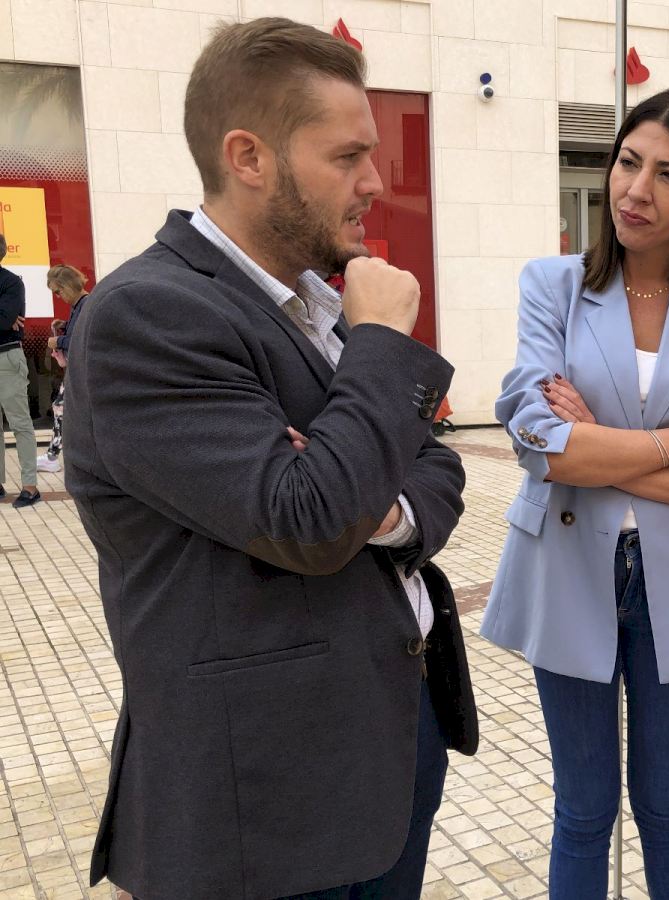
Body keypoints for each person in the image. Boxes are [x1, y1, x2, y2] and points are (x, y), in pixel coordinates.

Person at [64, 18, 476, 900]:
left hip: (384, 755)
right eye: (347, 157)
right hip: (261, 810)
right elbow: (313, 518)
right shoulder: (149, 316)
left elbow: (435, 465)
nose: (375, 183)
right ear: (248, 157)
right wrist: (374, 349)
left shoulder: (315, 305)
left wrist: (380, 501)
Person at [482, 88, 669, 900]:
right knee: (583, 811)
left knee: (667, 805)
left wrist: (600, 453)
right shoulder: (552, 285)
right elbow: (535, 439)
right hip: (568, 566)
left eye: (668, 174)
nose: (635, 191)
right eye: (627, 162)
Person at [37, 264, 90, 474]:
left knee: (61, 408)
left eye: (58, 291)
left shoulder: (85, 304)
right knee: (63, 409)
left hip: (82, 371)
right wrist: (65, 326)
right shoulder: (80, 305)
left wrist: (57, 340)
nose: (58, 297)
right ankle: (55, 455)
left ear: (67, 286)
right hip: (79, 370)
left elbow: (81, 339)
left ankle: (54, 456)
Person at [0, 234, 40, 507]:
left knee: (20, 424)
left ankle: (30, 487)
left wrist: (6, 319)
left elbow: (5, 320)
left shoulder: (11, 282)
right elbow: (4, 319)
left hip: (7, 359)